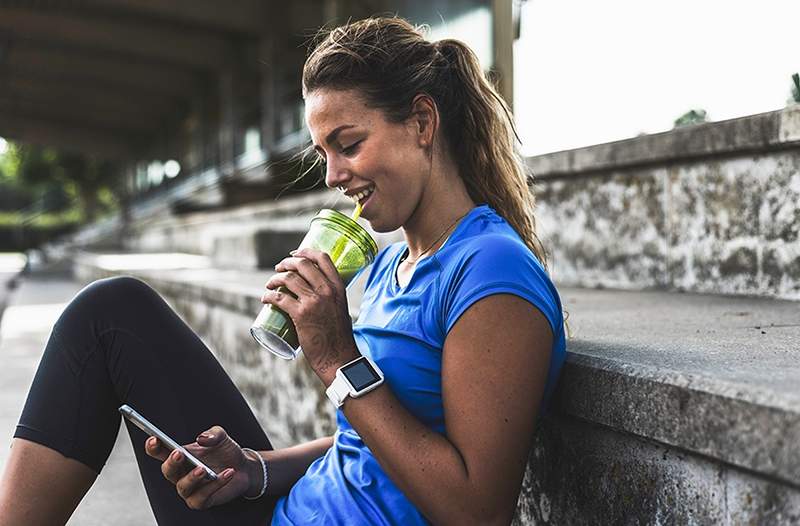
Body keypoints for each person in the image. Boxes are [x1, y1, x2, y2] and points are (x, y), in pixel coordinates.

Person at [0, 16, 566, 525]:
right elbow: (364, 447)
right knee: (109, 313)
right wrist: (255, 469)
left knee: (110, 315)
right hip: (289, 508)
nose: (334, 175)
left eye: (349, 144)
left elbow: (476, 511)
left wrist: (337, 361)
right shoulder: (395, 261)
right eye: (323, 154)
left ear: (422, 122)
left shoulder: (491, 270)